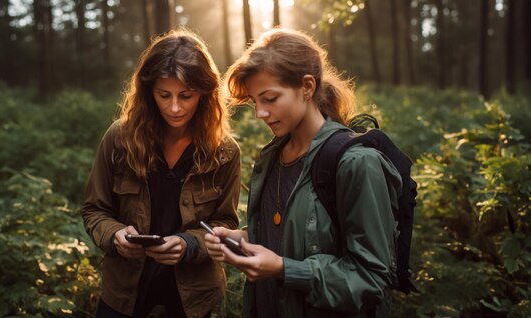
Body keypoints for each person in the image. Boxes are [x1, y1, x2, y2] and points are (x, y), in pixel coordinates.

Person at [204, 28, 401, 317]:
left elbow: (372, 278)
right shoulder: (272, 156)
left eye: (270, 99)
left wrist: (285, 269)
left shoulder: (356, 163)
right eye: (255, 101)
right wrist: (243, 238)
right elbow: (293, 233)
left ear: (307, 87)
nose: (260, 112)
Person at [82, 29, 241, 318]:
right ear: (148, 91)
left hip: (194, 297)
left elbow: (226, 221)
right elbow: (95, 209)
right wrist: (116, 236)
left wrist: (189, 244)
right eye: (164, 95)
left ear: (205, 94)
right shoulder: (120, 139)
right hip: (124, 293)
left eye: (186, 95)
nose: (175, 107)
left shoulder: (224, 152)